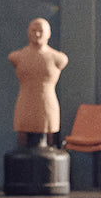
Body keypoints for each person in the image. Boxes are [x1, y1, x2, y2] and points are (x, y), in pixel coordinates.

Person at [7, 18, 68, 148]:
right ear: (28, 32)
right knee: (22, 145)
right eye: (34, 30)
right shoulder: (17, 57)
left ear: (48, 34)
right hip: (25, 103)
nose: (37, 34)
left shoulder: (58, 58)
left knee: (50, 145)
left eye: (41, 31)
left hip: (47, 105)